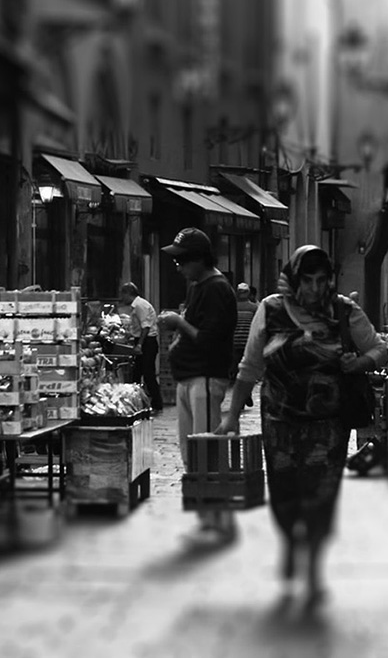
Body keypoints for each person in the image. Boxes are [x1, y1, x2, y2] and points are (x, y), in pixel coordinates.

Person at [215, 245, 388, 605]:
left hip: (329, 426)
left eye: (321, 280)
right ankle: (291, 543)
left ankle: (313, 569)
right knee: (284, 493)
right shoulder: (271, 309)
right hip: (279, 422)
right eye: (307, 281)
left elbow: (378, 350)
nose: (314, 288)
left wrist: (359, 363)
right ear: (294, 280)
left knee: (321, 496)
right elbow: (250, 366)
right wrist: (231, 415)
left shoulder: (344, 310)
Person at [158, 228, 238, 546]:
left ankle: (218, 521)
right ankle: (207, 519)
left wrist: (179, 323)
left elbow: (209, 339)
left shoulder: (216, 289)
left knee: (206, 452)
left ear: (199, 260)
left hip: (204, 377)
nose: (178, 267)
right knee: (193, 452)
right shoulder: (198, 287)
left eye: (182, 261)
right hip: (190, 378)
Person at [119, 282, 164, 413]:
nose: (122, 298)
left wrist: (139, 344)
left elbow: (146, 327)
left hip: (147, 342)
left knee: (148, 374)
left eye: (123, 294)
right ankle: (137, 403)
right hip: (142, 340)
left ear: (128, 293)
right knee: (137, 374)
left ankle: (157, 404)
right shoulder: (136, 305)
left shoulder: (140, 305)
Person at [231, 283, 259, 406]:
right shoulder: (254, 308)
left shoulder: (233, 307)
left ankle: (243, 396)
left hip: (238, 343)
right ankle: (246, 395)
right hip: (245, 343)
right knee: (246, 371)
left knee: (238, 371)